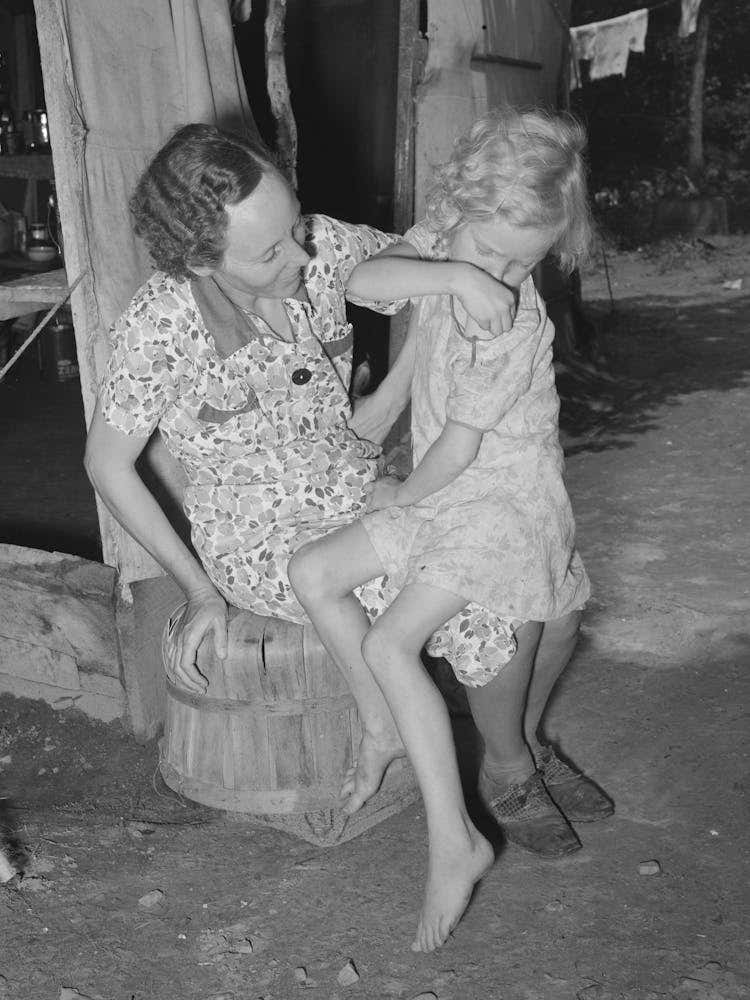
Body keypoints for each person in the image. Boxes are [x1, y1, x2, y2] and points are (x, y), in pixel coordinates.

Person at [82, 121, 518, 850]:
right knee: (456, 592)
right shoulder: (161, 326)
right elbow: (106, 464)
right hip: (261, 539)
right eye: (270, 251)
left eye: (293, 225)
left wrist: (402, 382)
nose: (304, 253)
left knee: (511, 559)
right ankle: (465, 765)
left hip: (355, 487)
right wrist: (196, 590)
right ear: (200, 257)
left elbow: (415, 262)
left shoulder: (316, 242)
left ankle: (506, 760)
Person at [288, 107, 613, 953]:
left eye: (524, 263)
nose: (501, 279)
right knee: (331, 576)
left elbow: (461, 453)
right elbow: (366, 284)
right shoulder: (440, 240)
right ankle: (448, 744)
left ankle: (486, 800)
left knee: (466, 630)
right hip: (451, 486)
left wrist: (396, 499)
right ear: (456, 208)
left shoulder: (520, 324)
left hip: (500, 497)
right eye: (490, 252)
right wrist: (451, 275)